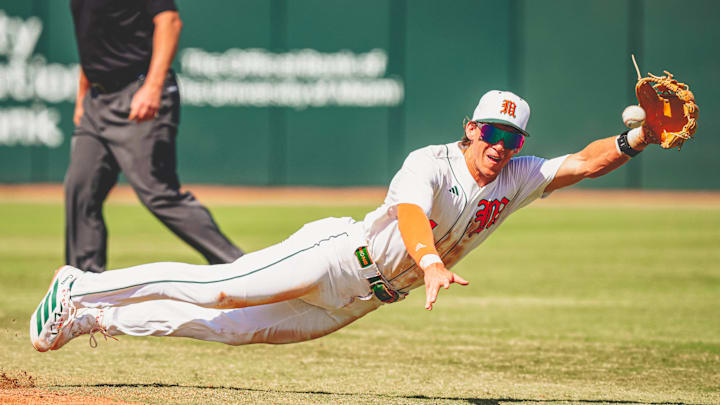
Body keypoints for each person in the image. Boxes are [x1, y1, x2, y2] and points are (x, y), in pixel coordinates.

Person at [31, 90, 660, 352]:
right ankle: (79, 284)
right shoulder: (431, 162)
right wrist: (434, 263)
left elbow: (579, 162)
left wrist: (637, 141)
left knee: (224, 328)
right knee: (221, 285)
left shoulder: (517, 176)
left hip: (357, 301)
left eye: (511, 137)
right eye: (491, 132)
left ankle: (92, 317)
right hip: (338, 254)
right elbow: (412, 214)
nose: (500, 145)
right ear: (470, 130)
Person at [65, 0, 243, 273]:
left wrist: (152, 87)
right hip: (96, 99)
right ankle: (84, 290)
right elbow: (90, 40)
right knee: (80, 190)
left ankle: (240, 268)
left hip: (137, 90)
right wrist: (82, 94)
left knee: (159, 194)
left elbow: (169, 22)